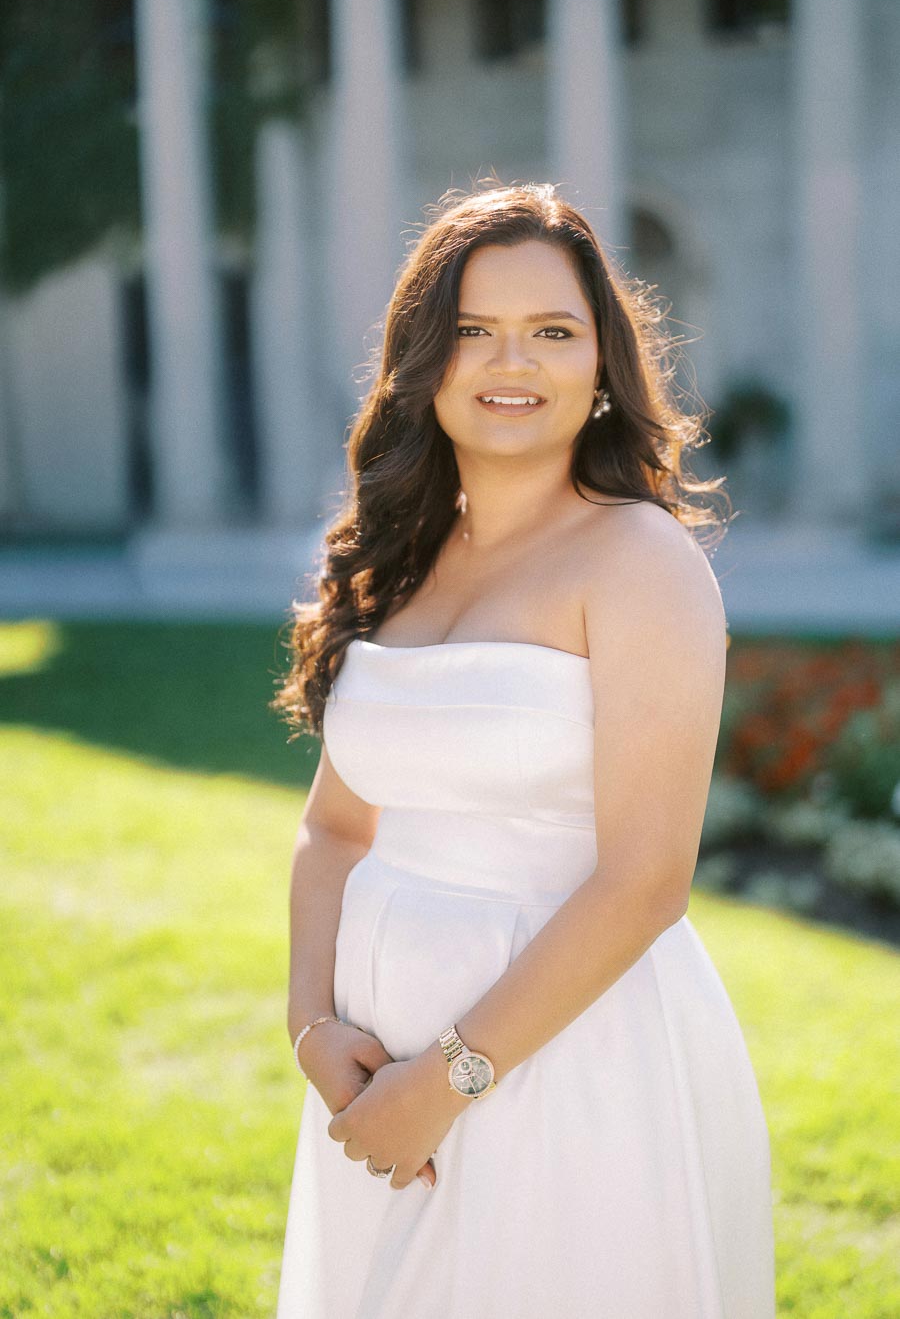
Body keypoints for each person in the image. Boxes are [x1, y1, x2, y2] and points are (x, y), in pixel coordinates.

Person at [270, 179, 775, 1318]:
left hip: (565, 1065)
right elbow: (335, 827)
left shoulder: (639, 563)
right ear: (423, 359)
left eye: (553, 331)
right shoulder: (393, 562)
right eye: (473, 330)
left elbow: (645, 884)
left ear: (602, 365)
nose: (514, 361)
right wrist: (314, 1026)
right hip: (372, 1070)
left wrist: (446, 1083)